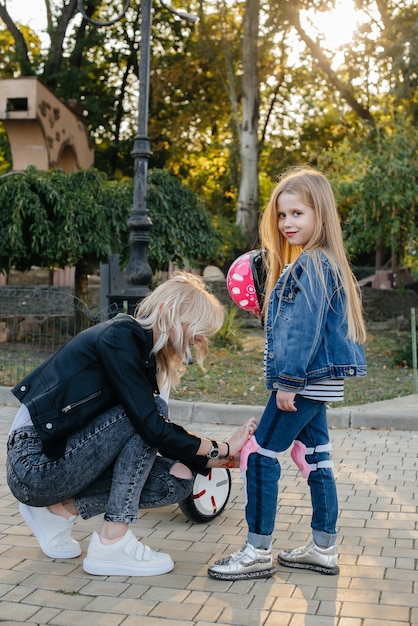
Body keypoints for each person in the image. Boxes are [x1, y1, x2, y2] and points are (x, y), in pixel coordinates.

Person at [6, 271, 258, 577]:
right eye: (198, 328)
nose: (201, 340)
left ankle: (56, 513)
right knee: (151, 411)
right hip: (35, 463)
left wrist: (206, 459)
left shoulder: (145, 357)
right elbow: (149, 424)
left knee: (175, 480)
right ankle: (113, 542)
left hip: (65, 459)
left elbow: (145, 436)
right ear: (168, 312)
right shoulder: (120, 336)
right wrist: (219, 448)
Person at [208, 166, 367, 581]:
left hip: (302, 381)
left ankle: (257, 551)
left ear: (321, 215)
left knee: (258, 453)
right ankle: (322, 547)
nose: (287, 223)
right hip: (319, 382)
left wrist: (288, 383)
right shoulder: (326, 262)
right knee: (317, 458)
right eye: (282, 215)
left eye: (298, 213)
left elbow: (301, 330)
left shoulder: (311, 265)